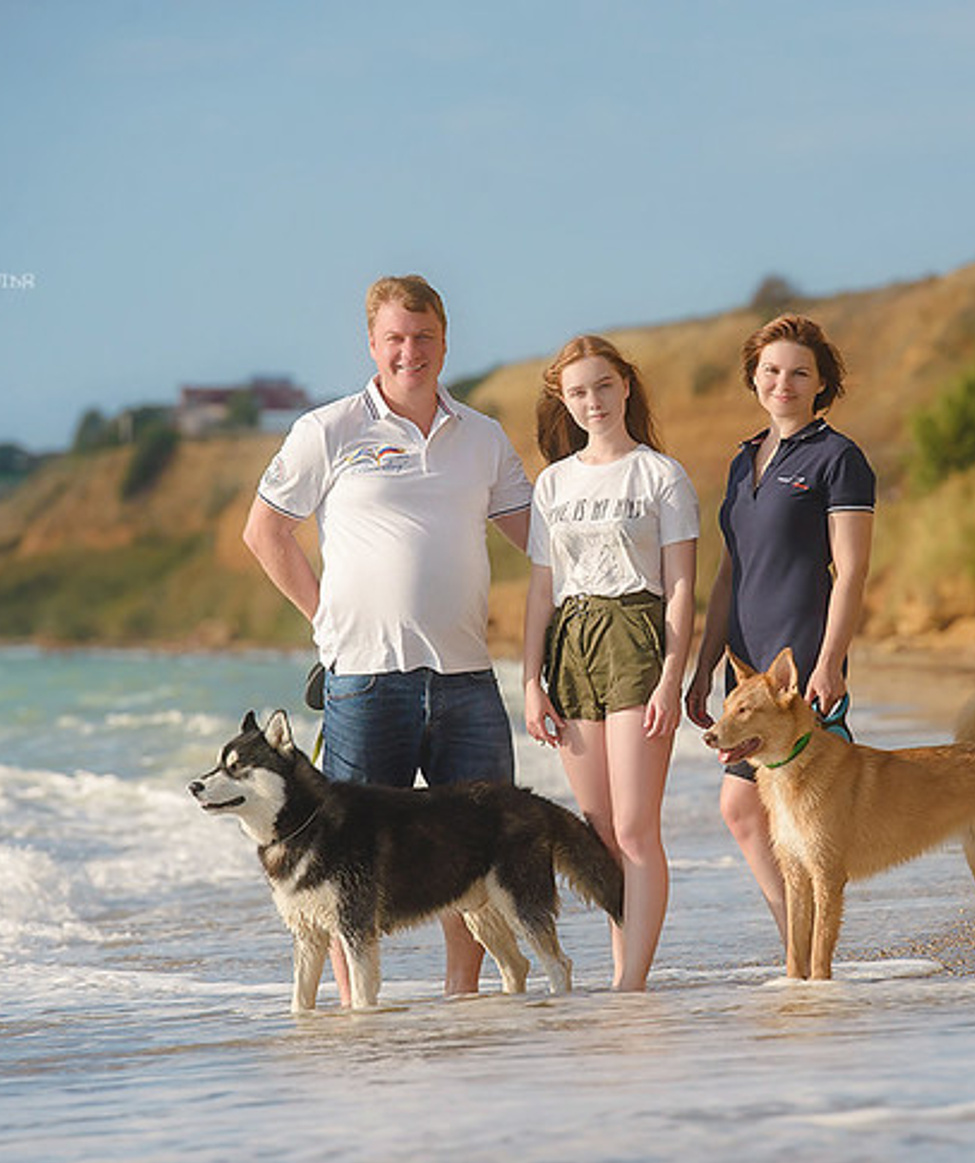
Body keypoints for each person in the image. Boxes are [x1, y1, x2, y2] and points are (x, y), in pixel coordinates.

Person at [243, 273, 532, 1002]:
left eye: (424, 337)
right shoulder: (328, 429)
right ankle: (355, 1017)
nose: (411, 352)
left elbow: (544, 540)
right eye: (396, 339)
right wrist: (324, 618)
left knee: (473, 854)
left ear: (444, 341)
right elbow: (266, 532)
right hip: (366, 682)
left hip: (467, 680)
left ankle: (462, 1005)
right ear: (372, 344)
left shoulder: (484, 437)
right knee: (346, 866)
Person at [684, 314, 875, 943]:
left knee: (774, 810)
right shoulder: (743, 462)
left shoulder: (838, 459)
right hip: (747, 674)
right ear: (754, 377)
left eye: (799, 372)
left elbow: (850, 572)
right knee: (754, 812)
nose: (783, 383)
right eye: (770, 370)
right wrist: (706, 663)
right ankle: (797, 946)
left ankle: (804, 950)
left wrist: (830, 661)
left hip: (800, 675)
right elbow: (726, 576)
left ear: (822, 384)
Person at [522, 336, 698, 991]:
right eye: (577, 392)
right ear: (563, 402)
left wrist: (672, 678)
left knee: (634, 825)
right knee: (598, 834)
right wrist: (531, 681)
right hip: (572, 644)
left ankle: (633, 985)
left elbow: (680, 585)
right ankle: (623, 968)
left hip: (635, 636)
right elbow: (542, 589)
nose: (592, 402)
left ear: (626, 385)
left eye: (602, 386)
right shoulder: (554, 482)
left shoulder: (660, 475)